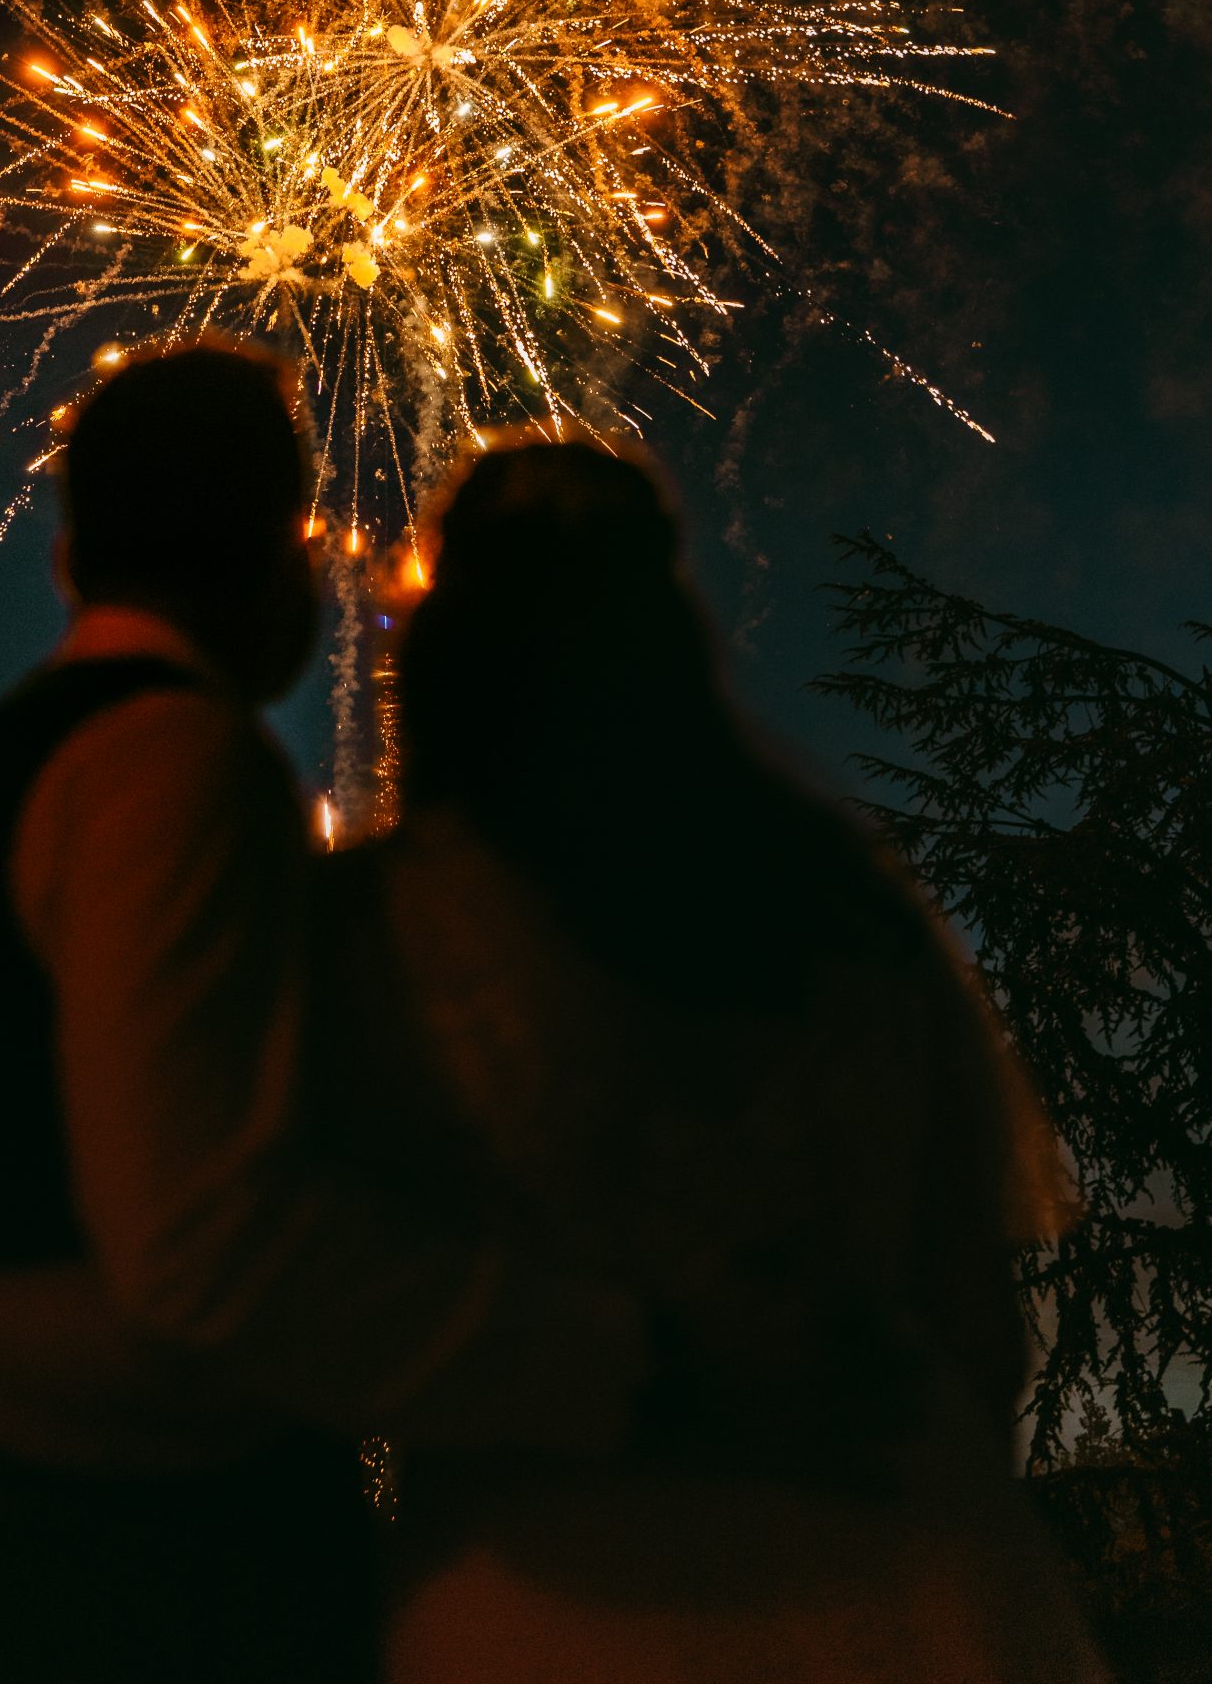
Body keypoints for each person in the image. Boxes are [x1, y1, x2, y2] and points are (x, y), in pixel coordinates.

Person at [0, 350, 643, 1682]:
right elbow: (205, 1251)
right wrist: (611, 1365)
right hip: (119, 1591)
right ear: (283, 548)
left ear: (69, 557)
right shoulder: (171, 761)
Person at [375, 435, 1107, 1681]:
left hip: (565, 1582)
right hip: (906, 1552)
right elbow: (975, 1308)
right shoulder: (843, 910)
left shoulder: (392, 922)